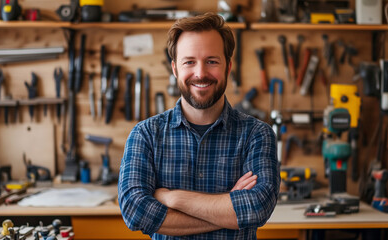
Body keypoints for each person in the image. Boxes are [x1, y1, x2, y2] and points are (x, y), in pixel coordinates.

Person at [118, 12, 280, 239]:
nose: (201, 73)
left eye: (212, 61)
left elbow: (256, 208)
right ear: (175, 69)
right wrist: (227, 212)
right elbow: (136, 212)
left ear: (228, 66)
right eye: (189, 62)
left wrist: (173, 199)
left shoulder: (257, 135)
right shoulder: (146, 135)